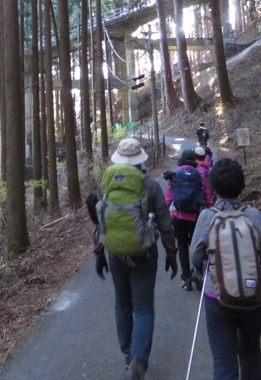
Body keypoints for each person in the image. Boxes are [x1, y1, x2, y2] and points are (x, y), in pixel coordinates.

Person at [87, 137, 177, 380]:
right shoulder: (151, 186)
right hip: (145, 254)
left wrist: (99, 254)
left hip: (115, 254)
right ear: (140, 161)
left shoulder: (106, 185)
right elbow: (165, 225)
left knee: (122, 303)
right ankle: (139, 359)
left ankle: (128, 354)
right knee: (143, 307)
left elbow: (101, 222)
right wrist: (172, 254)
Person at [190, 158, 261, 380]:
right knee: (250, 352)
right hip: (256, 297)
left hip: (217, 297)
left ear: (214, 187)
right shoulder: (253, 215)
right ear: (241, 187)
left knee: (223, 360)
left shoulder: (208, 216)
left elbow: (195, 256)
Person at [164, 148, 211, 292]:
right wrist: (212, 209)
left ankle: (186, 279)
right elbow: (208, 195)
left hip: (178, 217)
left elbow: (168, 198)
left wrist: (165, 212)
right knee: (197, 246)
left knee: (182, 248)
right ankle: (197, 271)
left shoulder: (175, 175)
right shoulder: (199, 175)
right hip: (195, 217)